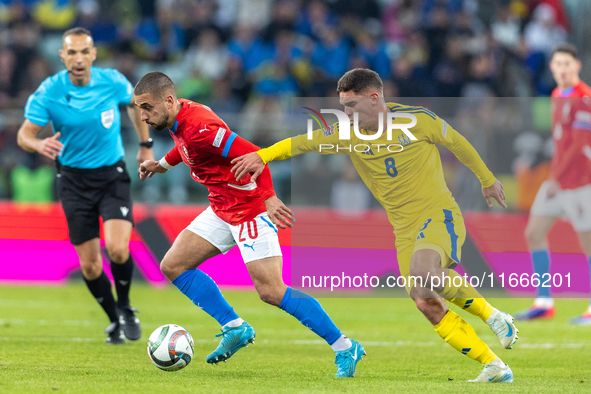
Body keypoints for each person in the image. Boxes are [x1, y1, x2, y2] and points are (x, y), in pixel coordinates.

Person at [231, 68, 519, 383]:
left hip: (438, 214)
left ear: (373, 99)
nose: (346, 112)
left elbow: (458, 143)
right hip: (403, 229)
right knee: (425, 301)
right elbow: (301, 143)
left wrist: (488, 180)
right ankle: (494, 366)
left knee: (425, 273)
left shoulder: (417, 120)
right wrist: (263, 155)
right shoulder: (347, 132)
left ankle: (494, 316)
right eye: (343, 105)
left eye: (351, 105)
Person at [134, 71, 365, 378]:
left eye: (147, 107)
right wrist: (161, 165)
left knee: (271, 291)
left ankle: (344, 346)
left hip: (249, 209)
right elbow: (187, 148)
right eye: (139, 108)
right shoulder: (180, 121)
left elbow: (253, 154)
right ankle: (235, 327)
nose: (143, 115)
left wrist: (269, 197)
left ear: (169, 100)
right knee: (173, 265)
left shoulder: (201, 126)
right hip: (221, 206)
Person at [16, 27, 153, 344]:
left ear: (93, 54)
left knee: (118, 248)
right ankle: (114, 320)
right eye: (72, 53)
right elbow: (25, 134)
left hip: (111, 175)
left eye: (84, 51)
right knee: (90, 266)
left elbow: (135, 105)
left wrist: (145, 143)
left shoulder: (113, 80)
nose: (78, 59)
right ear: (62, 56)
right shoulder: (49, 91)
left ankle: (126, 306)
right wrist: (38, 145)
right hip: (74, 181)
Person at [516, 44, 591, 323]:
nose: (562, 68)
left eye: (567, 64)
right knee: (534, 232)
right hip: (557, 181)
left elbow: (580, 144)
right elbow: (561, 144)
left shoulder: (584, 97)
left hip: (581, 181)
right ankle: (544, 301)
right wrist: (553, 176)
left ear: (577, 66)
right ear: (552, 67)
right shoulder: (557, 94)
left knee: (588, 244)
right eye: (557, 64)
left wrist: (556, 177)